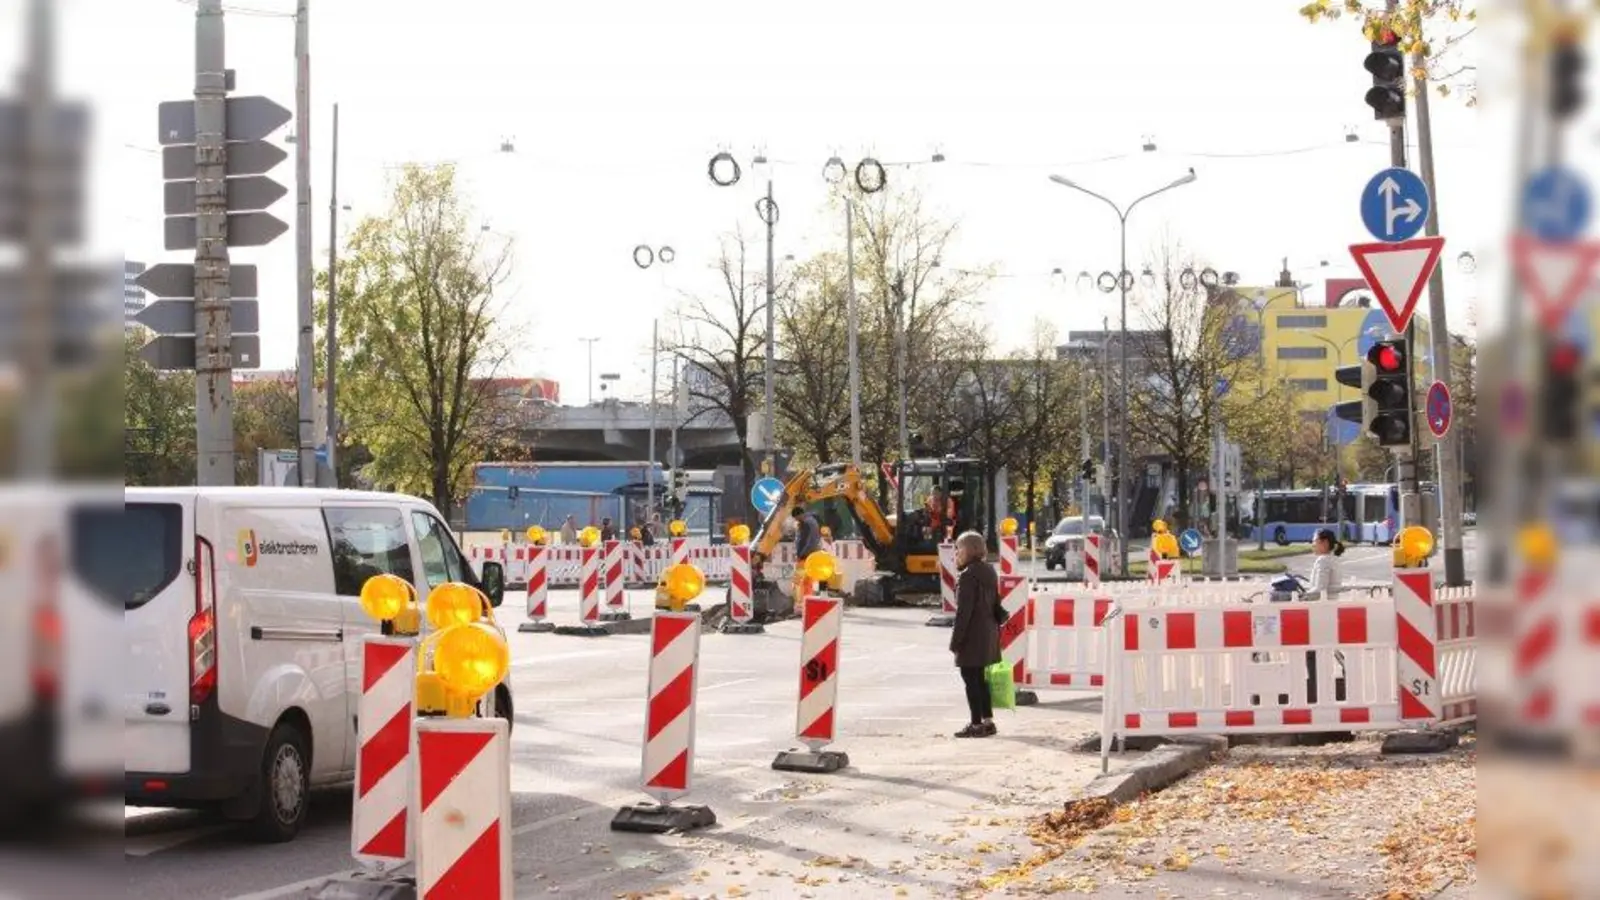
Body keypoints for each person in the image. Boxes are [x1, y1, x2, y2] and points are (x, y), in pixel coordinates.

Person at [950, 530, 1002, 738]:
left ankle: (976, 724)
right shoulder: (989, 570)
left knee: (970, 678)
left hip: (972, 635)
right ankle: (988, 721)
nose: (956, 553)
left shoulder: (967, 576)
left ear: (968, 551)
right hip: (988, 633)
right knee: (980, 679)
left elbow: (964, 612)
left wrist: (956, 641)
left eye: (958, 549)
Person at [1308, 527, 1345, 600]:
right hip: (1332, 603)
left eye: (1315, 541)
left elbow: (1320, 589)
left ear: (1325, 542)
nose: (1313, 544)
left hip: (1322, 606)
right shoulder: (1334, 559)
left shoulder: (1323, 560)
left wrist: (1300, 597)